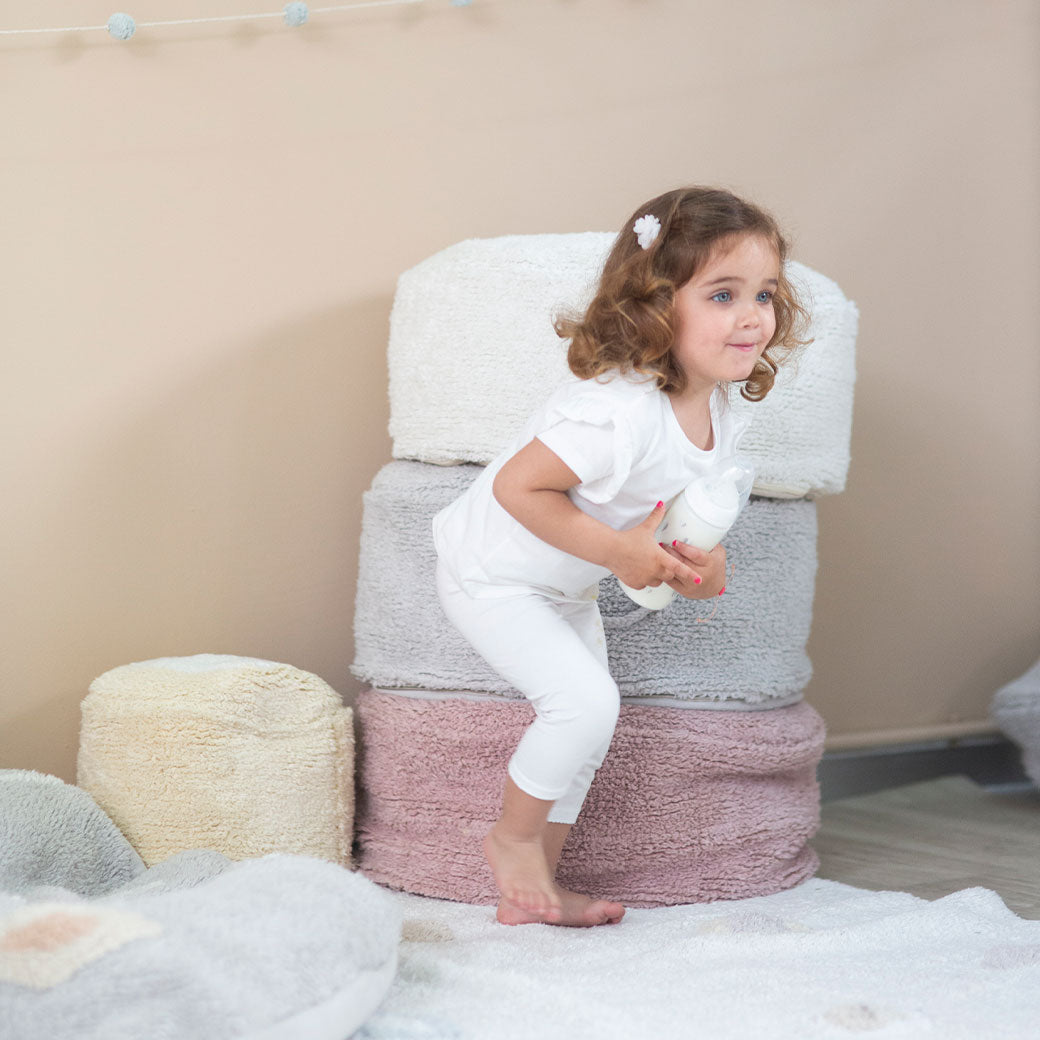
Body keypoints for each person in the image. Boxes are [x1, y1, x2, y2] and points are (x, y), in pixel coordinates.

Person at [432, 186, 810, 927]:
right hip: (490, 573)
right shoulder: (616, 411)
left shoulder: (716, 409)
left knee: (590, 727)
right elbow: (518, 487)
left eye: (764, 294)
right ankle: (512, 840)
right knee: (585, 703)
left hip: (561, 589)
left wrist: (699, 567)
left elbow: (678, 521)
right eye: (724, 294)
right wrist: (617, 552)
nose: (752, 316)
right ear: (655, 305)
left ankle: (535, 889)